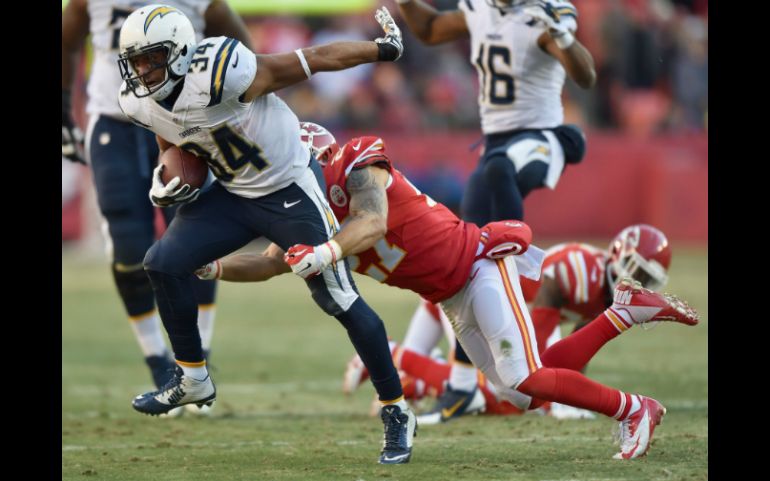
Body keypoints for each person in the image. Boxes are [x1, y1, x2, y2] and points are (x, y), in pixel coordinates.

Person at [196, 124, 699, 460]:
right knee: (516, 393)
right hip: (451, 295)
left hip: (480, 265)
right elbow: (264, 266)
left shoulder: (356, 165)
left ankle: (634, 408)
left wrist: (326, 252)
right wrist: (210, 267)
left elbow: (370, 223)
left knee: (524, 375)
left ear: (312, 155)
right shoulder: (311, 213)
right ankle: (623, 314)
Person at [115, 5, 415, 464]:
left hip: (289, 187)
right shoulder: (137, 99)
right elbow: (171, 140)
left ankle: (396, 410)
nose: (141, 71)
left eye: (150, 58)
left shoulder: (221, 71)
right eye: (134, 61)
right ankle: (193, 376)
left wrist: (380, 49)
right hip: (234, 194)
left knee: (339, 299)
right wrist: (165, 176)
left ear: (178, 52)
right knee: (162, 262)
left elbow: (314, 58)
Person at [394, 0, 598, 415]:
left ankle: (517, 277)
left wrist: (562, 36)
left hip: (542, 136)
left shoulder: (545, 13)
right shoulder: (479, 9)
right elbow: (431, 30)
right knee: (463, 256)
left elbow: (586, 75)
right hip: (495, 147)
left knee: (501, 172)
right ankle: (464, 384)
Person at [62, 0, 252, 411]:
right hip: (116, 121)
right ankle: (157, 362)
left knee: (198, 242)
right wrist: (63, 109)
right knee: (130, 248)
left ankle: (200, 363)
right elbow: (67, 41)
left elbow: (243, 49)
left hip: (184, 124)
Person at [347, 225, 679, 422]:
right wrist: (555, 397)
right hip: (469, 300)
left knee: (507, 393)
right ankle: (389, 353)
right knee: (509, 392)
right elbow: (538, 354)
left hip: (488, 303)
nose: (639, 281)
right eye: (637, 270)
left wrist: (567, 395)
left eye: (648, 278)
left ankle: (404, 374)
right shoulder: (580, 273)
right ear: (619, 256)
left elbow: (579, 350)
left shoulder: (601, 285)